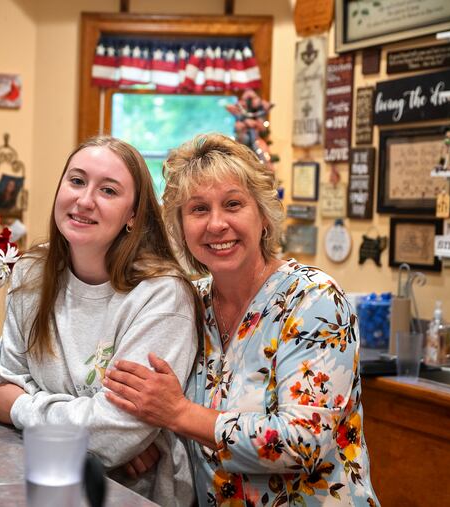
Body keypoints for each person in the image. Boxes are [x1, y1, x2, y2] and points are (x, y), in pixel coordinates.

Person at [104, 134, 379, 506]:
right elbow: (142, 397)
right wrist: (140, 440)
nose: (217, 224)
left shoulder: (313, 299)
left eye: (233, 204)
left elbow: (301, 443)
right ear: (182, 229)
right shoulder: (185, 303)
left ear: (263, 216)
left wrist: (179, 415)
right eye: (198, 209)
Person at [0, 136, 201, 506]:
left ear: (133, 215)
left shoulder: (161, 295)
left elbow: (115, 431)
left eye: (108, 190)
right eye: (76, 181)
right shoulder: (30, 273)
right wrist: (99, 437)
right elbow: (8, 379)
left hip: (129, 496)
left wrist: (22, 408)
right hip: (40, 484)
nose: (85, 200)